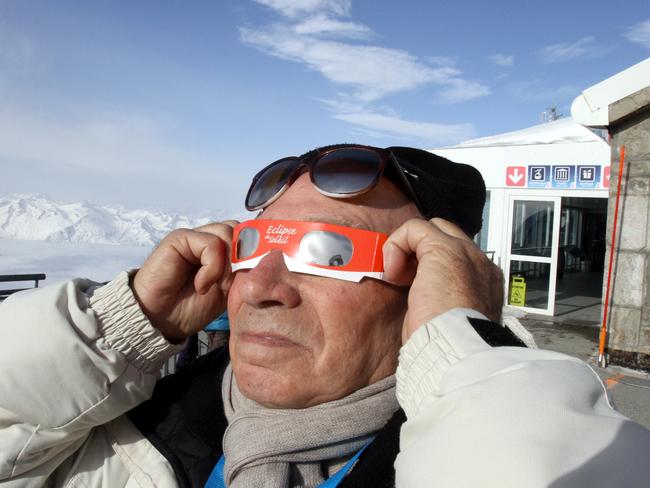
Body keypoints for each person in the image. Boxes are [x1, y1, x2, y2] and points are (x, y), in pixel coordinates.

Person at [1, 144, 649, 488]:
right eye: (252, 246)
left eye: (331, 254)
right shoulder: (127, 432)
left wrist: (467, 358)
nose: (259, 288)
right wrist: (119, 330)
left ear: (430, 285)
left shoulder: (540, 445)